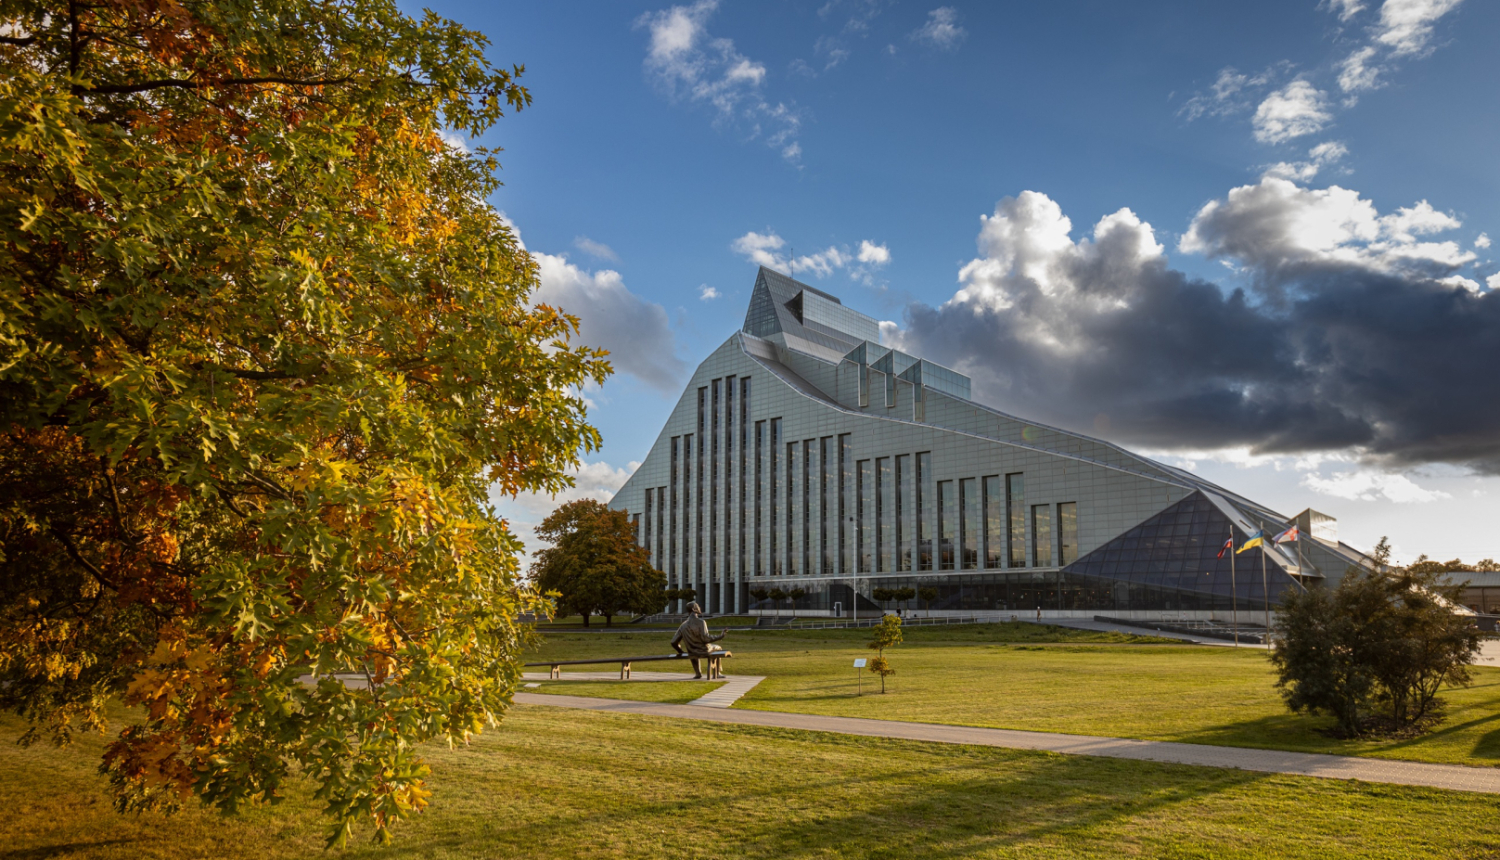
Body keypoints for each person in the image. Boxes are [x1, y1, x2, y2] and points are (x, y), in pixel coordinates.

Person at [671, 602, 727, 679]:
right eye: (698, 606)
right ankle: (717, 672)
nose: (699, 607)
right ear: (694, 609)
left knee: (692, 650)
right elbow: (706, 639)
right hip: (704, 650)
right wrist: (720, 636)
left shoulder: (683, 625)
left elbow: (673, 642)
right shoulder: (701, 622)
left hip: (691, 651)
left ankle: (698, 673)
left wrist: (681, 652)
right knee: (718, 648)